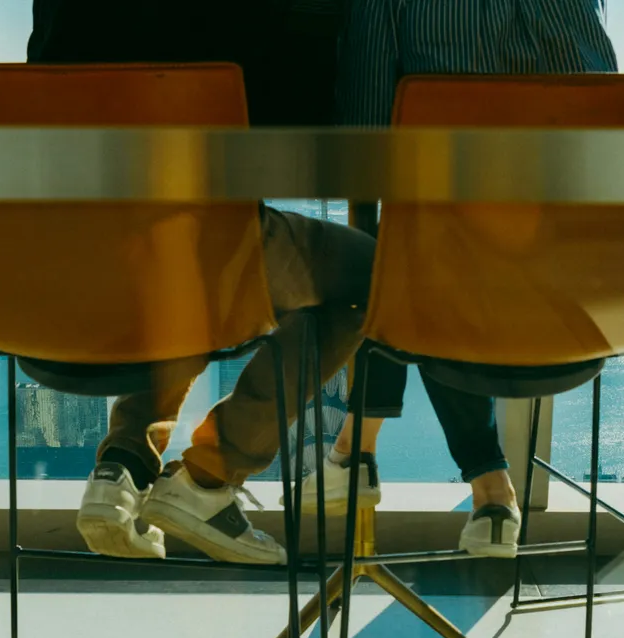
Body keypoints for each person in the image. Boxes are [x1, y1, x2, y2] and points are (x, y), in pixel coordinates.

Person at [28, 1, 376, 565]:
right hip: (190, 238)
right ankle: (208, 480)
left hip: (56, 255)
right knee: (370, 279)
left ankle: (122, 468)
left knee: (188, 254)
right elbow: (300, 129)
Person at [300, 0, 619, 558]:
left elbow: (367, 140)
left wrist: (373, 250)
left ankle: (360, 451)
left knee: (407, 258)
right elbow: (607, 118)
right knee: (434, 254)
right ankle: (482, 493)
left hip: (450, 285)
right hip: (581, 299)